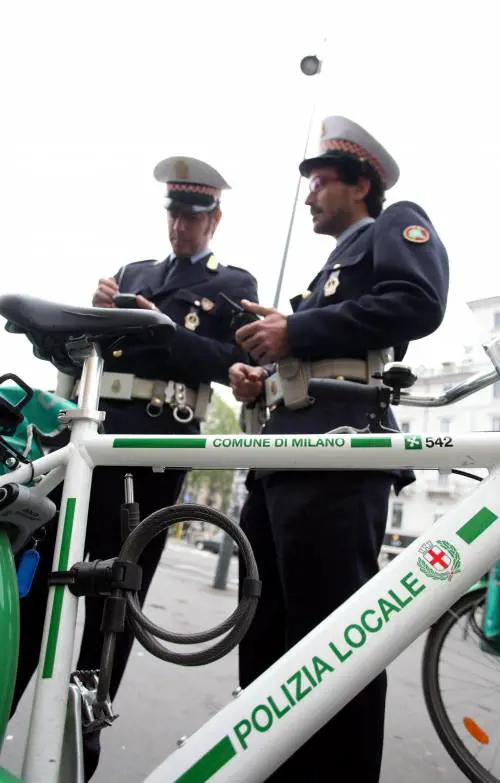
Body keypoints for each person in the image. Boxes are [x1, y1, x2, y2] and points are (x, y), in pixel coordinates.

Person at [11, 155, 258, 780]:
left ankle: (82, 733)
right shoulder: (133, 270)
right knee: (42, 577)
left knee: (115, 587)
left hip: (153, 448)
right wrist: (105, 307)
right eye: (174, 214)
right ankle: (7, 692)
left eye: (194, 217)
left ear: (215, 220)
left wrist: (159, 323)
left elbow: (230, 358)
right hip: (94, 428)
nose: (181, 227)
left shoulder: (234, 284)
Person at [229, 116, 449, 781]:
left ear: (360, 182)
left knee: (331, 652)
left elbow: (418, 301)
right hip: (285, 456)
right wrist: (260, 376)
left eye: (319, 180)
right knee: (265, 636)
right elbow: (319, 350)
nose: (310, 196)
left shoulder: (394, 224)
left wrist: (295, 332)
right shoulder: (323, 270)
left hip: (339, 456)